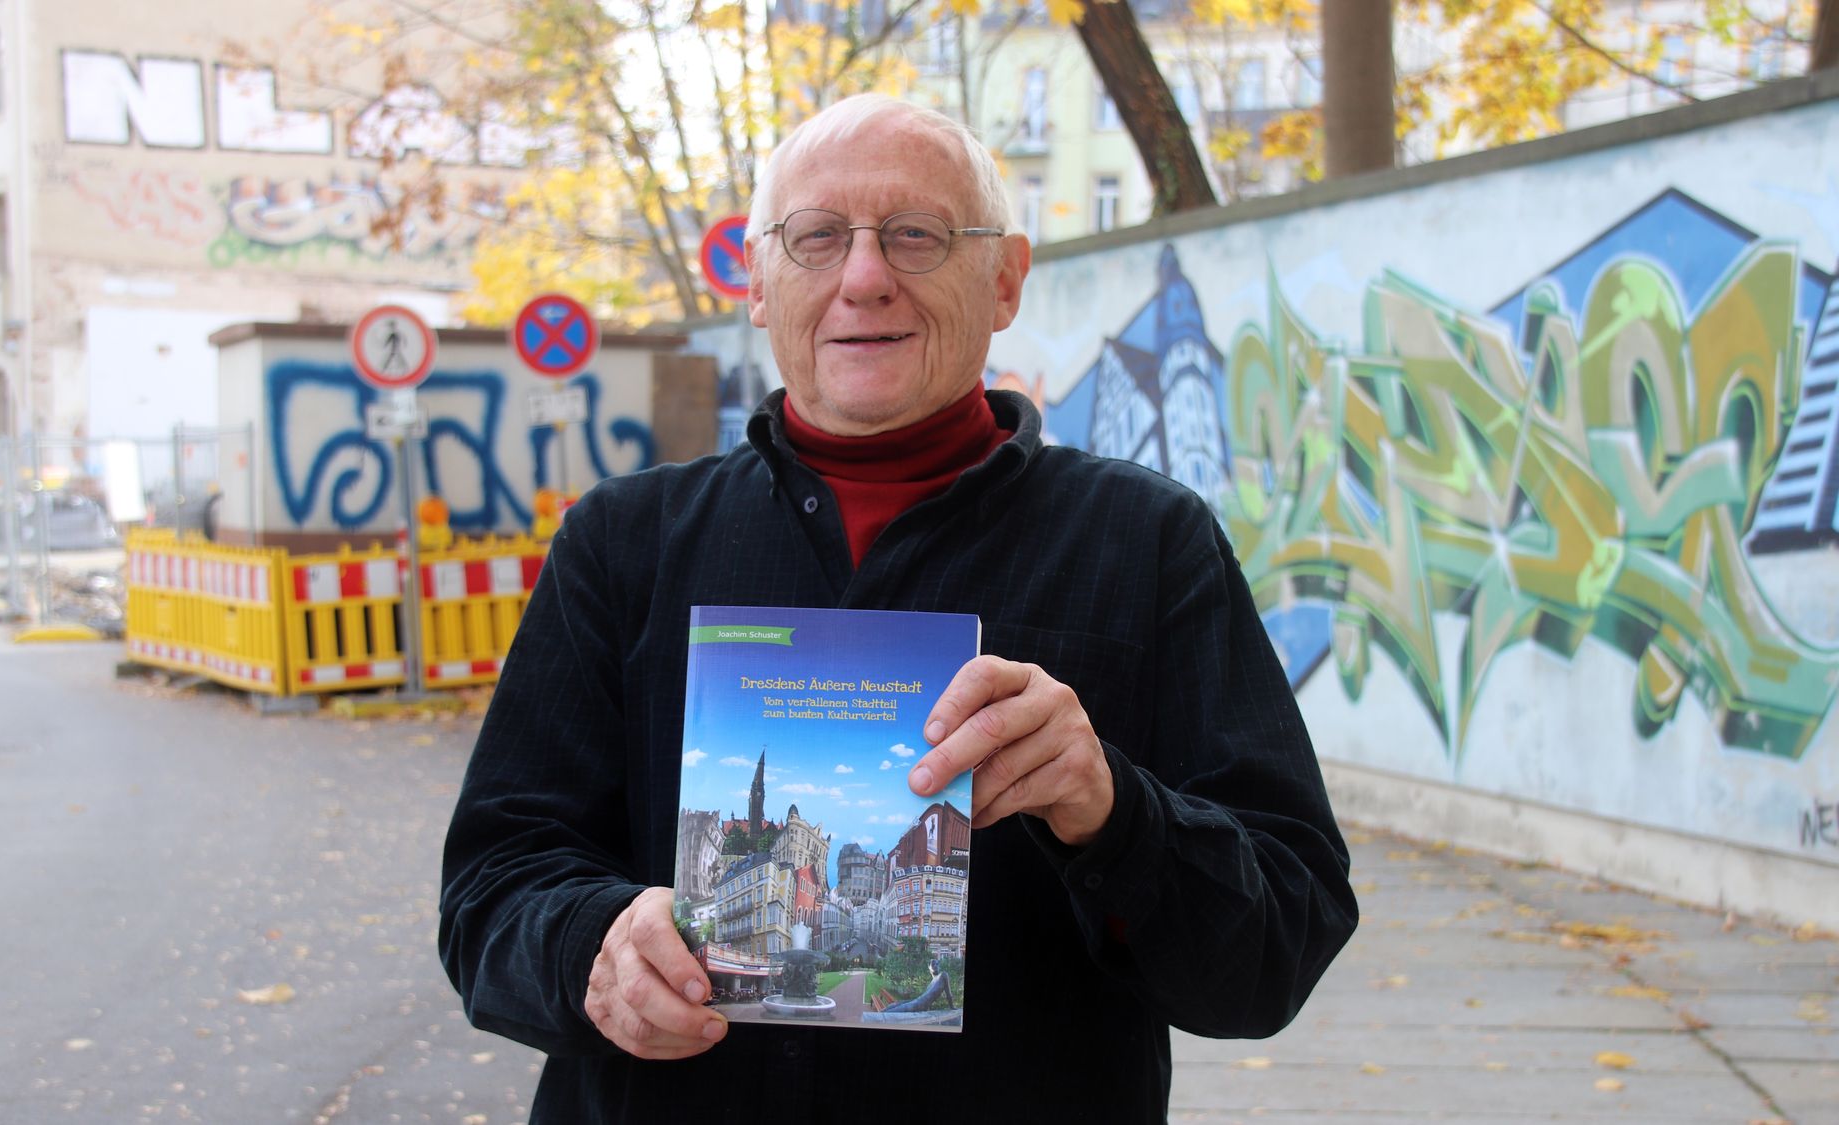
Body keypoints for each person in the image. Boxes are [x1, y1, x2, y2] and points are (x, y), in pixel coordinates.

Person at [440, 93, 1358, 1123]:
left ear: (1003, 278)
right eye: (816, 237)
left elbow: (1278, 946)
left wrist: (1113, 812)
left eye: (915, 235)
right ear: (757, 280)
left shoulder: (1145, 543)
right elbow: (489, 893)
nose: (863, 278)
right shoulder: (625, 542)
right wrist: (591, 948)